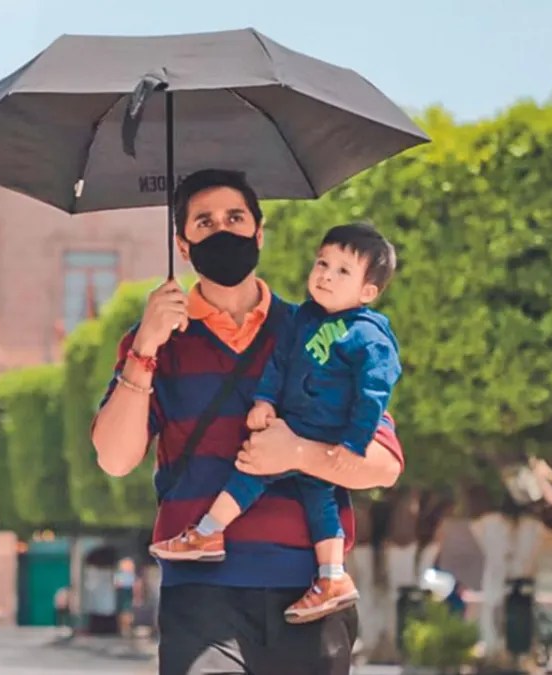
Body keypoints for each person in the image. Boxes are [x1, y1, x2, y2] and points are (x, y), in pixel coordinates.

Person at [91, 169, 405, 675]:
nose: (222, 231)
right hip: (200, 594)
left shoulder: (319, 329)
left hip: (310, 590)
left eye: (235, 218)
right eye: (205, 222)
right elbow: (115, 457)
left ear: (259, 232)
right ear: (183, 245)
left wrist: (296, 453)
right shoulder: (154, 339)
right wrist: (146, 346)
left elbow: (384, 466)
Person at [148, 222, 402, 625]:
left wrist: (352, 443)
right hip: (290, 422)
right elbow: (279, 363)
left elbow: (375, 392)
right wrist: (265, 399)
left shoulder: (368, 335)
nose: (325, 275)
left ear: (367, 292)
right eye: (322, 263)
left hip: (325, 435)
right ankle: (318, 573)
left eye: (342, 271)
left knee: (282, 485)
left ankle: (319, 572)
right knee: (274, 481)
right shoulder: (301, 320)